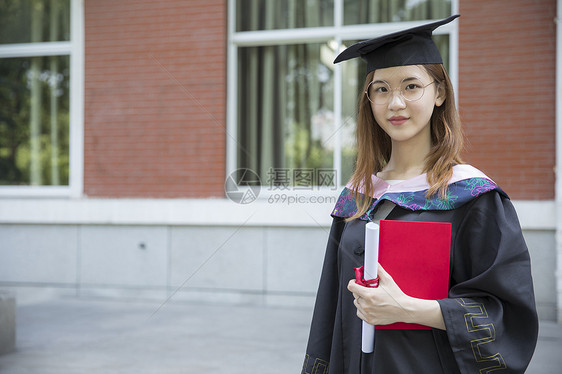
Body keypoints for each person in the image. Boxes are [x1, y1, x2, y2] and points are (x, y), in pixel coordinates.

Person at [301, 15, 538, 374]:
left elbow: (505, 314)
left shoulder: (472, 196)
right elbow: (328, 311)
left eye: (411, 86)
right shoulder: (357, 196)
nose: (395, 102)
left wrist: (407, 309)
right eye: (381, 89)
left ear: (439, 92)